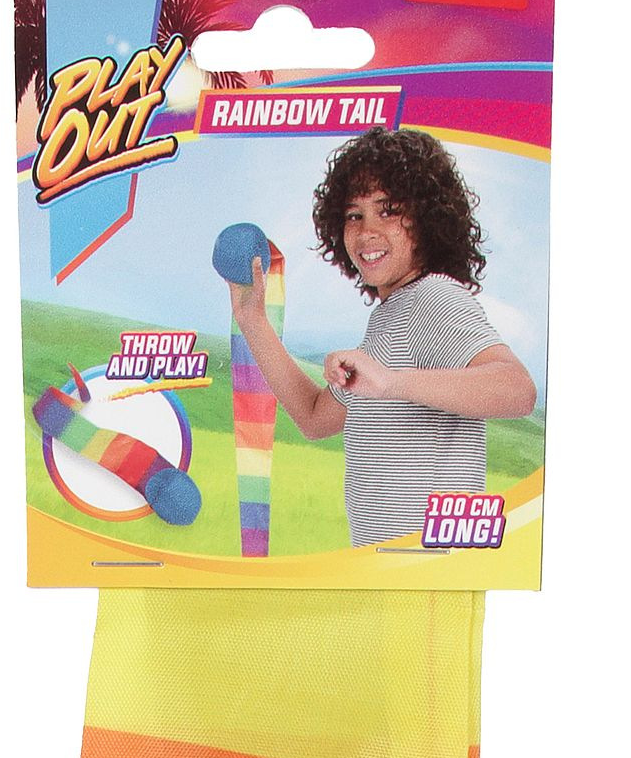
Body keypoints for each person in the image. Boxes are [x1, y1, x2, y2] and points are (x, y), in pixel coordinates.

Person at [227, 125, 538, 546]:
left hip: (431, 566)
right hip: (384, 566)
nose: (366, 231)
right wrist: (252, 319)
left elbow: (517, 389)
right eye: (354, 215)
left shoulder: (434, 298)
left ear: (426, 218)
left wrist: (392, 382)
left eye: (388, 210)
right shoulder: (390, 318)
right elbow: (315, 417)